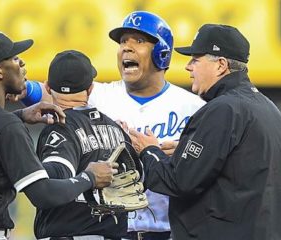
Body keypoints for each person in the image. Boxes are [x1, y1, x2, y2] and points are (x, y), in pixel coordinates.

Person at [15, 11, 205, 239]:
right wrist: (21, 88)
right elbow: (49, 93)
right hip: (114, 230)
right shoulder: (98, 95)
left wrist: (186, 155)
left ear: (161, 53)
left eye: (139, 41)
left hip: (168, 230)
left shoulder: (193, 107)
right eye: (123, 41)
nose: (127, 47)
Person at [0, 30, 117, 240]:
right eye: (15, 58)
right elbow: (44, 194)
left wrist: (20, 115)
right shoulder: (6, 126)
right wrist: (89, 177)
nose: (22, 64)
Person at [128, 24, 281, 240]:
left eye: (195, 60)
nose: (188, 67)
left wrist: (149, 151)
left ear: (221, 65)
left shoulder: (223, 109)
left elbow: (177, 182)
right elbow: (239, 166)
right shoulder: (267, 107)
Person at [33, 49, 132, 239]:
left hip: (68, 233)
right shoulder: (117, 130)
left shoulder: (59, 127)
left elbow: (55, 175)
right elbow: (138, 180)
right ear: (90, 89)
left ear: (47, 87)